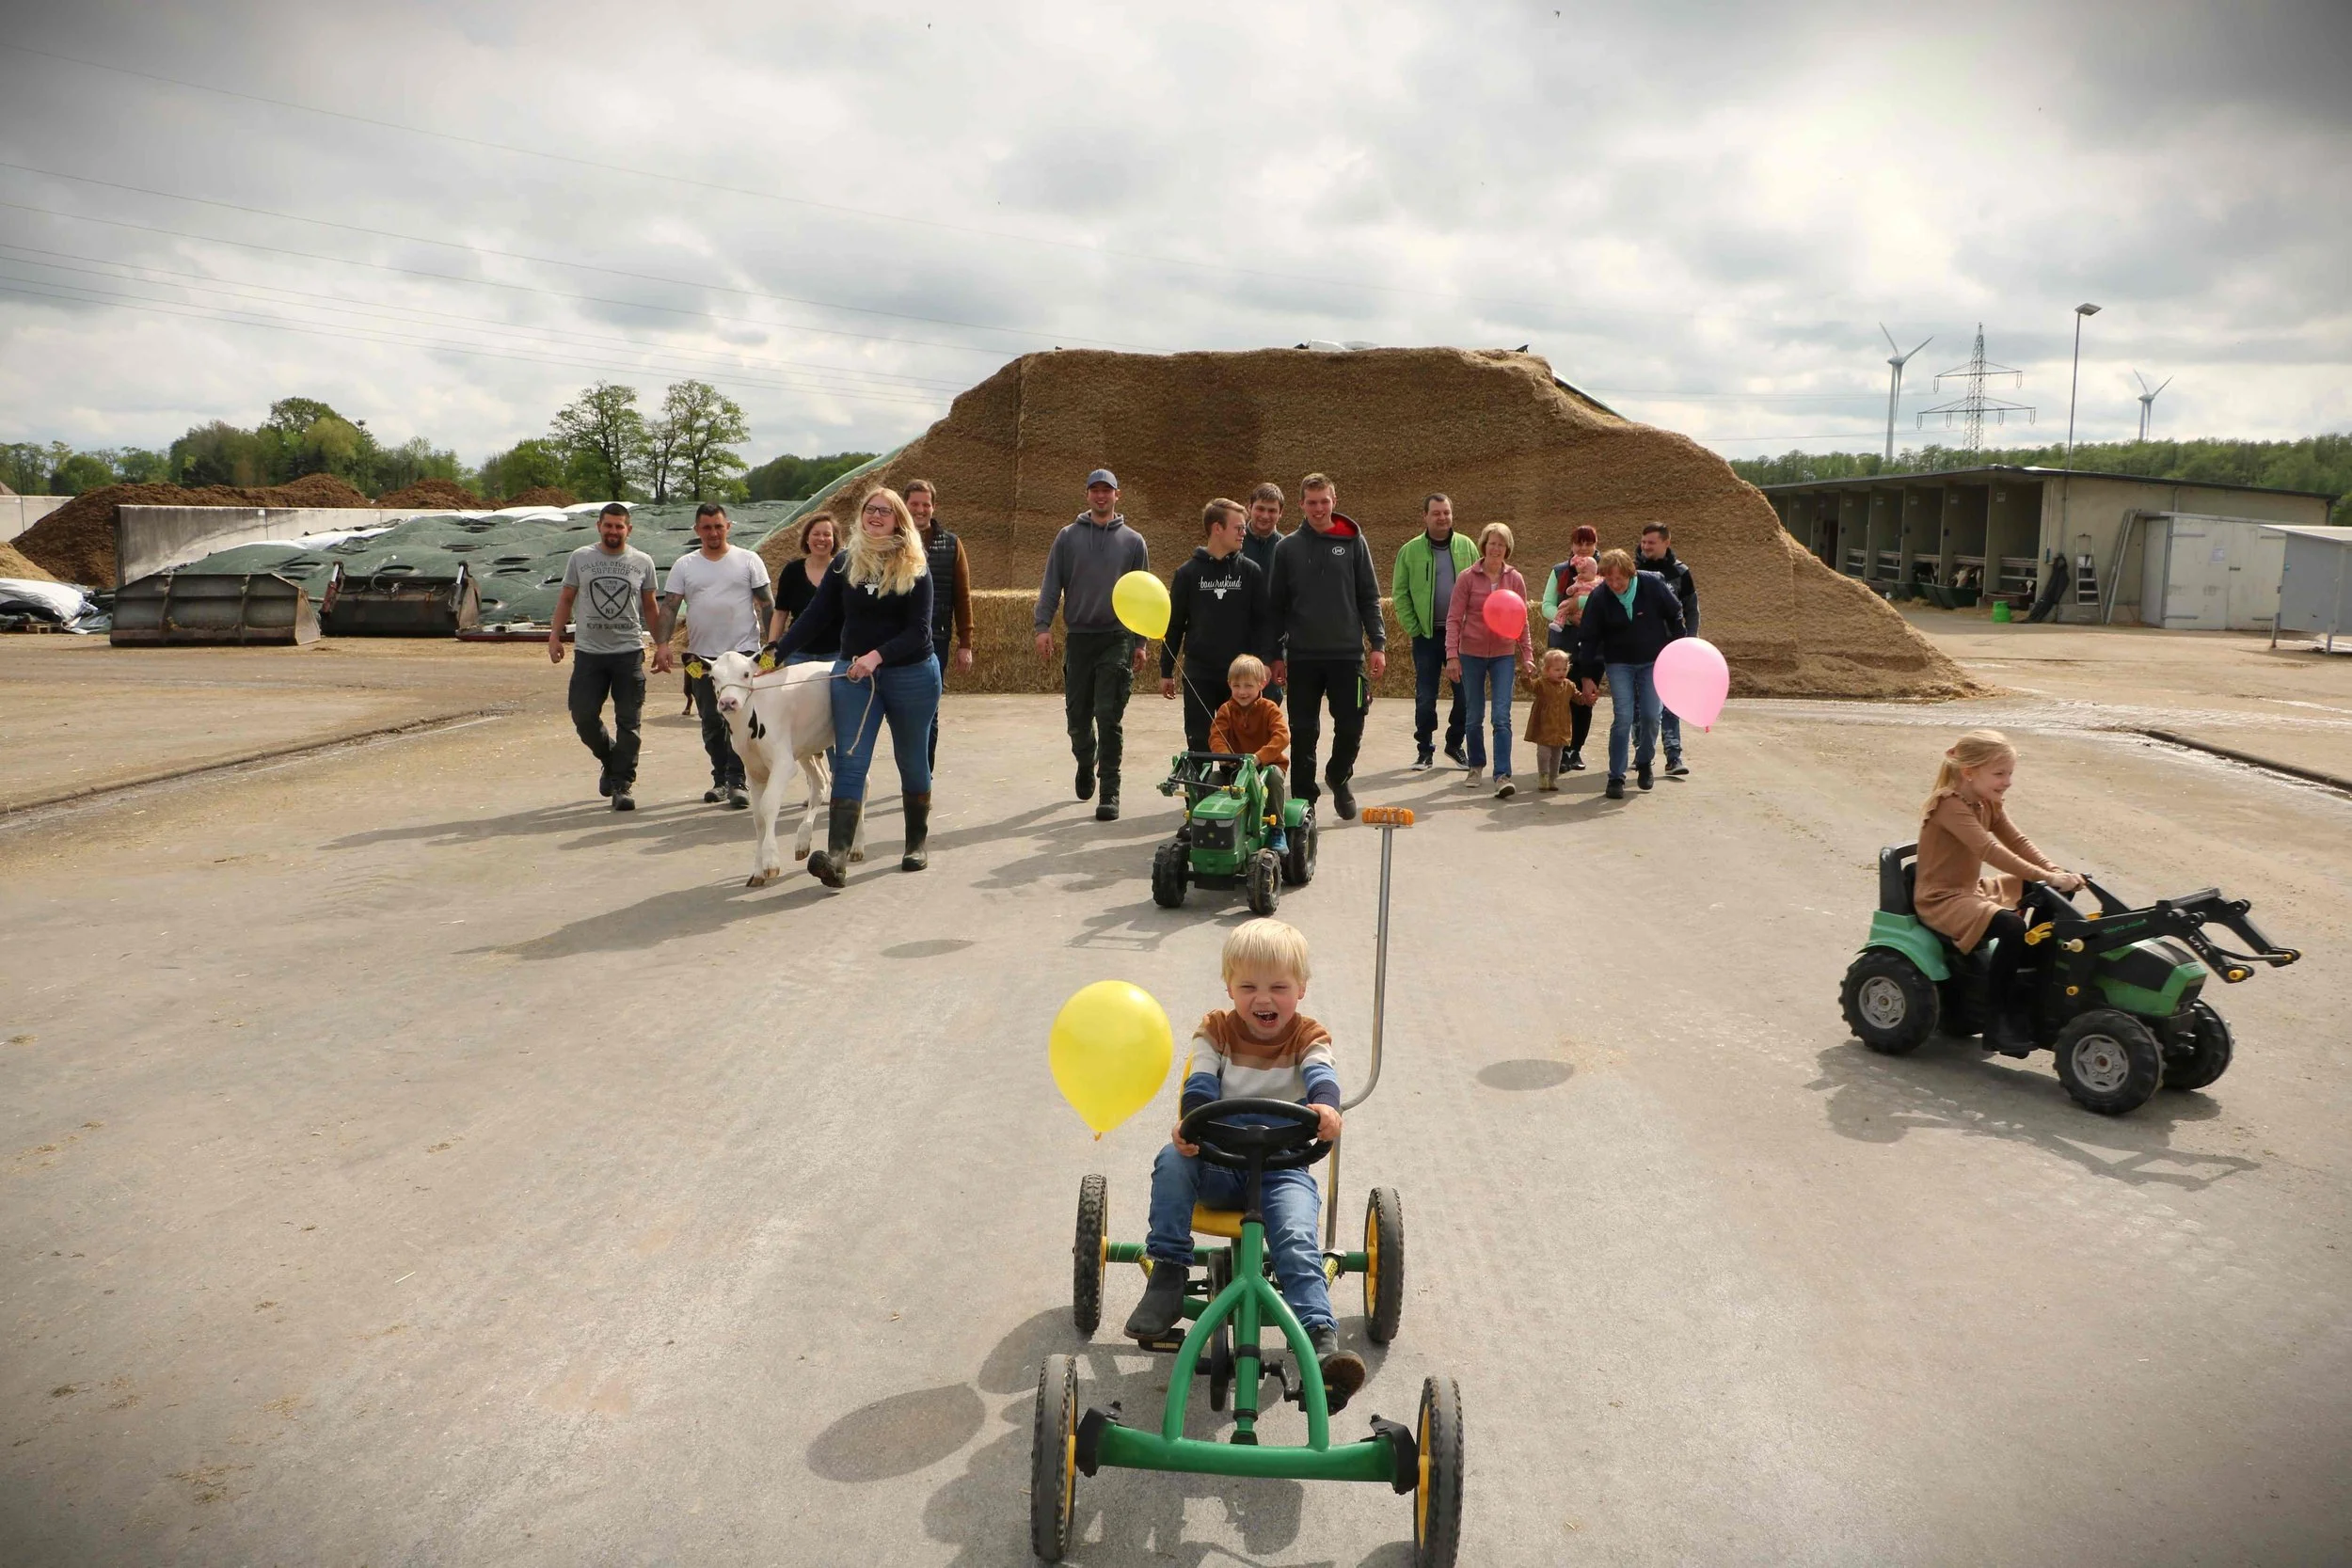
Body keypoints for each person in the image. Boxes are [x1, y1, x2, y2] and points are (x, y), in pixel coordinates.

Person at [1121, 917, 1367, 1410]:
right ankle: (1168, 1273)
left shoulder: (1309, 1036)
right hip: (1218, 1162)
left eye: (1279, 987)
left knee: (1295, 1237)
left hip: (1283, 1168)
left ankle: (1319, 1341)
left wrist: (1325, 1107)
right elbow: (1201, 1079)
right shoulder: (1216, 1029)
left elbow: (1321, 1075)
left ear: (1301, 989)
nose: (1263, 999)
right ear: (1229, 987)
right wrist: (1192, 1121)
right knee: (1171, 1160)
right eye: (1249, 986)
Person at [765, 487, 941, 882]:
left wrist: (877, 656)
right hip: (854, 675)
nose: (875, 516)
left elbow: (920, 630)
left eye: (884, 511)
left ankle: (915, 843)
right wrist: (774, 654)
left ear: (899, 520)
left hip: (911, 673)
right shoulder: (844, 563)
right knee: (849, 759)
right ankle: (837, 857)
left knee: (912, 758)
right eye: (869, 509)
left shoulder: (915, 565)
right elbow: (815, 616)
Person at [1914, 730, 2083, 1056]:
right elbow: (1989, 850)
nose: (2007, 782)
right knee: (2011, 926)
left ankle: (2029, 977)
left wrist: (2054, 872)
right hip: (1941, 898)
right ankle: (1997, 1020)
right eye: (2000, 774)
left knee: (2052, 894)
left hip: (1970, 891)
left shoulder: (1986, 802)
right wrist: (2048, 876)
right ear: (1969, 771)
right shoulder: (1949, 804)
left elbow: (2017, 842)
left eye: (2010, 774)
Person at [1267, 473, 1386, 820]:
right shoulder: (1286, 549)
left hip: (1347, 655)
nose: (1318, 508)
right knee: (1304, 732)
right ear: (1301, 505)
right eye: (1312, 502)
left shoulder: (1353, 541)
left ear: (1334, 501)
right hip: (1303, 656)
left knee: (1352, 725)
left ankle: (1339, 775)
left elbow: (1369, 596)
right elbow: (1276, 607)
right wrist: (1275, 655)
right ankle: (1304, 803)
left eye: (1324, 501)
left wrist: (1378, 643)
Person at [1035, 468, 1152, 821]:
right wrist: (1043, 626)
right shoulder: (1067, 538)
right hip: (1079, 639)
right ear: (1087, 495)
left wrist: (1141, 641)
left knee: (1109, 715)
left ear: (1117, 495)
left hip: (1116, 637)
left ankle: (1110, 790)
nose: (1101, 496)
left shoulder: (1133, 542)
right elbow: (1051, 583)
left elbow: (1143, 594)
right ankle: (1086, 759)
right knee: (1078, 719)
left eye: (1107, 490)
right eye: (1095, 490)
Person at [548, 502, 666, 812]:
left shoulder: (643, 561)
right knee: (583, 716)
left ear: (629, 529)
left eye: (619, 526)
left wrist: (661, 644)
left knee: (629, 722)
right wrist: (555, 635)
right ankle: (610, 759)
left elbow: (650, 607)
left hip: (628, 653)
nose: (614, 531)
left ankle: (622, 784)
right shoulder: (581, 558)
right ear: (598, 526)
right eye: (608, 525)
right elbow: (566, 598)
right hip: (589, 654)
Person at [657, 502, 773, 809]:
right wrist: (662, 644)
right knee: (710, 719)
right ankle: (720, 778)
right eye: (706, 527)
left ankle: (737, 780)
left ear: (728, 527)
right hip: (704, 659)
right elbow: (670, 606)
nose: (713, 533)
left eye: (718, 526)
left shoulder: (748, 560)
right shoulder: (685, 565)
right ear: (697, 530)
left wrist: (773, 644)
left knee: (738, 718)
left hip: (742, 655)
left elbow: (766, 603)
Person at [1575, 547, 1686, 800]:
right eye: (1609, 579)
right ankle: (1616, 776)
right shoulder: (1600, 597)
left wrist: (1679, 650)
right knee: (1623, 717)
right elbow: (1589, 638)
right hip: (1619, 663)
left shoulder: (1652, 584)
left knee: (1650, 715)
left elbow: (1675, 613)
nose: (1615, 584)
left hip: (1652, 661)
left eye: (1620, 579)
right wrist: (1587, 676)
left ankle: (1644, 761)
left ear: (1631, 574)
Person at [1161, 499, 1271, 752]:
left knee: (1240, 744)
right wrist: (1166, 671)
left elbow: (1264, 622)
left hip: (1240, 676)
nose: (1244, 533)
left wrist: (1265, 661)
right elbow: (1174, 625)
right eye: (1238, 528)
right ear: (1217, 528)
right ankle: (1199, 780)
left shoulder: (1251, 572)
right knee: (1199, 742)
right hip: (1199, 674)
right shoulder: (1187, 573)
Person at [1442, 522, 1535, 799]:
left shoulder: (1515, 579)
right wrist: (1452, 655)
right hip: (1471, 654)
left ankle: (1502, 775)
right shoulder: (1467, 578)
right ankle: (1475, 766)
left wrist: (1527, 655)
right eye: (1492, 543)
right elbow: (1453, 618)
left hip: (1503, 655)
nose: (1496, 549)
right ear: (1484, 546)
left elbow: (1522, 619)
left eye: (1501, 544)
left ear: (1508, 548)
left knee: (1501, 716)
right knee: (1473, 715)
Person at [1391, 493, 1476, 771]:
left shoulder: (1467, 546)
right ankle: (1424, 750)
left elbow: (1479, 586)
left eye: (1446, 512)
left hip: (1461, 638)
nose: (1442, 518)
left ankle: (1455, 744)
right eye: (1436, 513)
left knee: (1465, 696)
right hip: (1427, 637)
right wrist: (1414, 628)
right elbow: (1400, 593)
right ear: (1425, 516)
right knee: (1426, 697)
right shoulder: (1409, 551)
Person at [906, 481, 974, 770]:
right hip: (893, 639)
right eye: (914, 504)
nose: (920, 510)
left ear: (933, 507)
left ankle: (924, 776)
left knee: (929, 710)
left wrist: (966, 643)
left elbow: (962, 595)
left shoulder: (951, 544)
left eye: (926, 504)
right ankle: (910, 770)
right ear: (904, 506)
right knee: (901, 712)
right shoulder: (889, 542)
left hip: (937, 639)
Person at [1208, 653, 1290, 855]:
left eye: (1248, 686)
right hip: (1236, 768)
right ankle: (1212, 826)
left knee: (1275, 777)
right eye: (1236, 686)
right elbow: (1216, 736)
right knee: (1213, 779)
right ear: (1229, 684)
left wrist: (1259, 757)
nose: (1242, 692)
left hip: (1265, 766)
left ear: (1262, 684)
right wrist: (1224, 756)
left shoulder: (1270, 709)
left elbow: (1282, 736)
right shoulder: (1226, 710)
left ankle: (1277, 829)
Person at [1639, 522, 1700, 778]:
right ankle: (1642, 753)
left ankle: (1673, 756)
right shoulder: (1632, 570)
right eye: (1643, 542)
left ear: (1666, 542)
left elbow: (1691, 610)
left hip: (1672, 647)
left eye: (1651, 542)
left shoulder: (1680, 573)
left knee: (1671, 702)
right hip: (1640, 649)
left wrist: (1690, 642)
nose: (1646, 547)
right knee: (1642, 706)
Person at [1540, 529, 1603, 772]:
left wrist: (1581, 603)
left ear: (1596, 544)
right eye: (1579, 543)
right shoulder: (1559, 571)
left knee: (1585, 699)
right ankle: (1560, 749)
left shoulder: (1605, 570)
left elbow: (1609, 599)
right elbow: (1547, 605)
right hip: (1563, 647)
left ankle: (1575, 750)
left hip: (1594, 646)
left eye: (1589, 543)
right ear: (1572, 544)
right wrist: (1566, 617)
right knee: (1560, 700)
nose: (1584, 548)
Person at [767, 512, 842, 658]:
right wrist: (768, 655)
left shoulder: (844, 570)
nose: (821, 539)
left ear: (834, 539)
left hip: (837, 656)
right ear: (807, 538)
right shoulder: (792, 571)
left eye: (827, 534)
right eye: (816, 534)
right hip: (797, 654)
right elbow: (780, 614)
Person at [1239, 483, 1289, 704]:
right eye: (1260, 508)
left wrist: (1278, 655)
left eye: (1272, 510)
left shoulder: (1288, 549)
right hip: (1235, 644)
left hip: (1271, 648)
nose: (1265, 516)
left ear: (1281, 513)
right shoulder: (1233, 544)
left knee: (1268, 711)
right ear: (1249, 508)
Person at [1525, 648, 1579, 791]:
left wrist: (1588, 698)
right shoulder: (1541, 683)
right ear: (1547, 670)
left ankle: (1553, 778)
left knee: (1557, 755)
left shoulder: (1569, 685)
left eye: (1564, 669)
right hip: (1544, 726)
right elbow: (1529, 687)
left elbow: (1578, 697)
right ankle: (1543, 775)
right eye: (1557, 670)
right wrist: (1525, 676)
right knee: (1544, 753)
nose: (1562, 672)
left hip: (1561, 727)